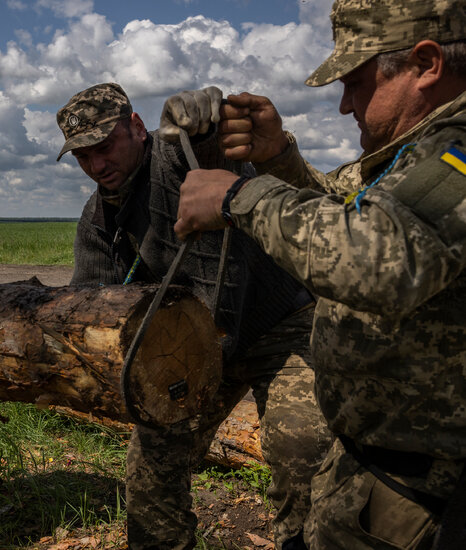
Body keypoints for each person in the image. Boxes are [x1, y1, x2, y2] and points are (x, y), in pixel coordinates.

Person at [175, 1, 466, 547]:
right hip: (378, 473)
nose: (343, 106)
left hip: (429, 493)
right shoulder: (416, 152)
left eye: (356, 83)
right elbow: (348, 205)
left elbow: (381, 256)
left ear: (426, 64)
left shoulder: (459, 151)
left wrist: (240, 195)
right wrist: (278, 158)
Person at [56, 83, 331, 549]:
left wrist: (202, 124)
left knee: (302, 449)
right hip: (194, 348)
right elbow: (93, 310)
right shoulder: (98, 221)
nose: (96, 165)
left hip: (280, 327)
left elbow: (207, 152)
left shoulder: (174, 157)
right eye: (83, 157)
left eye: (104, 147)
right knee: (149, 467)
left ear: (137, 128)